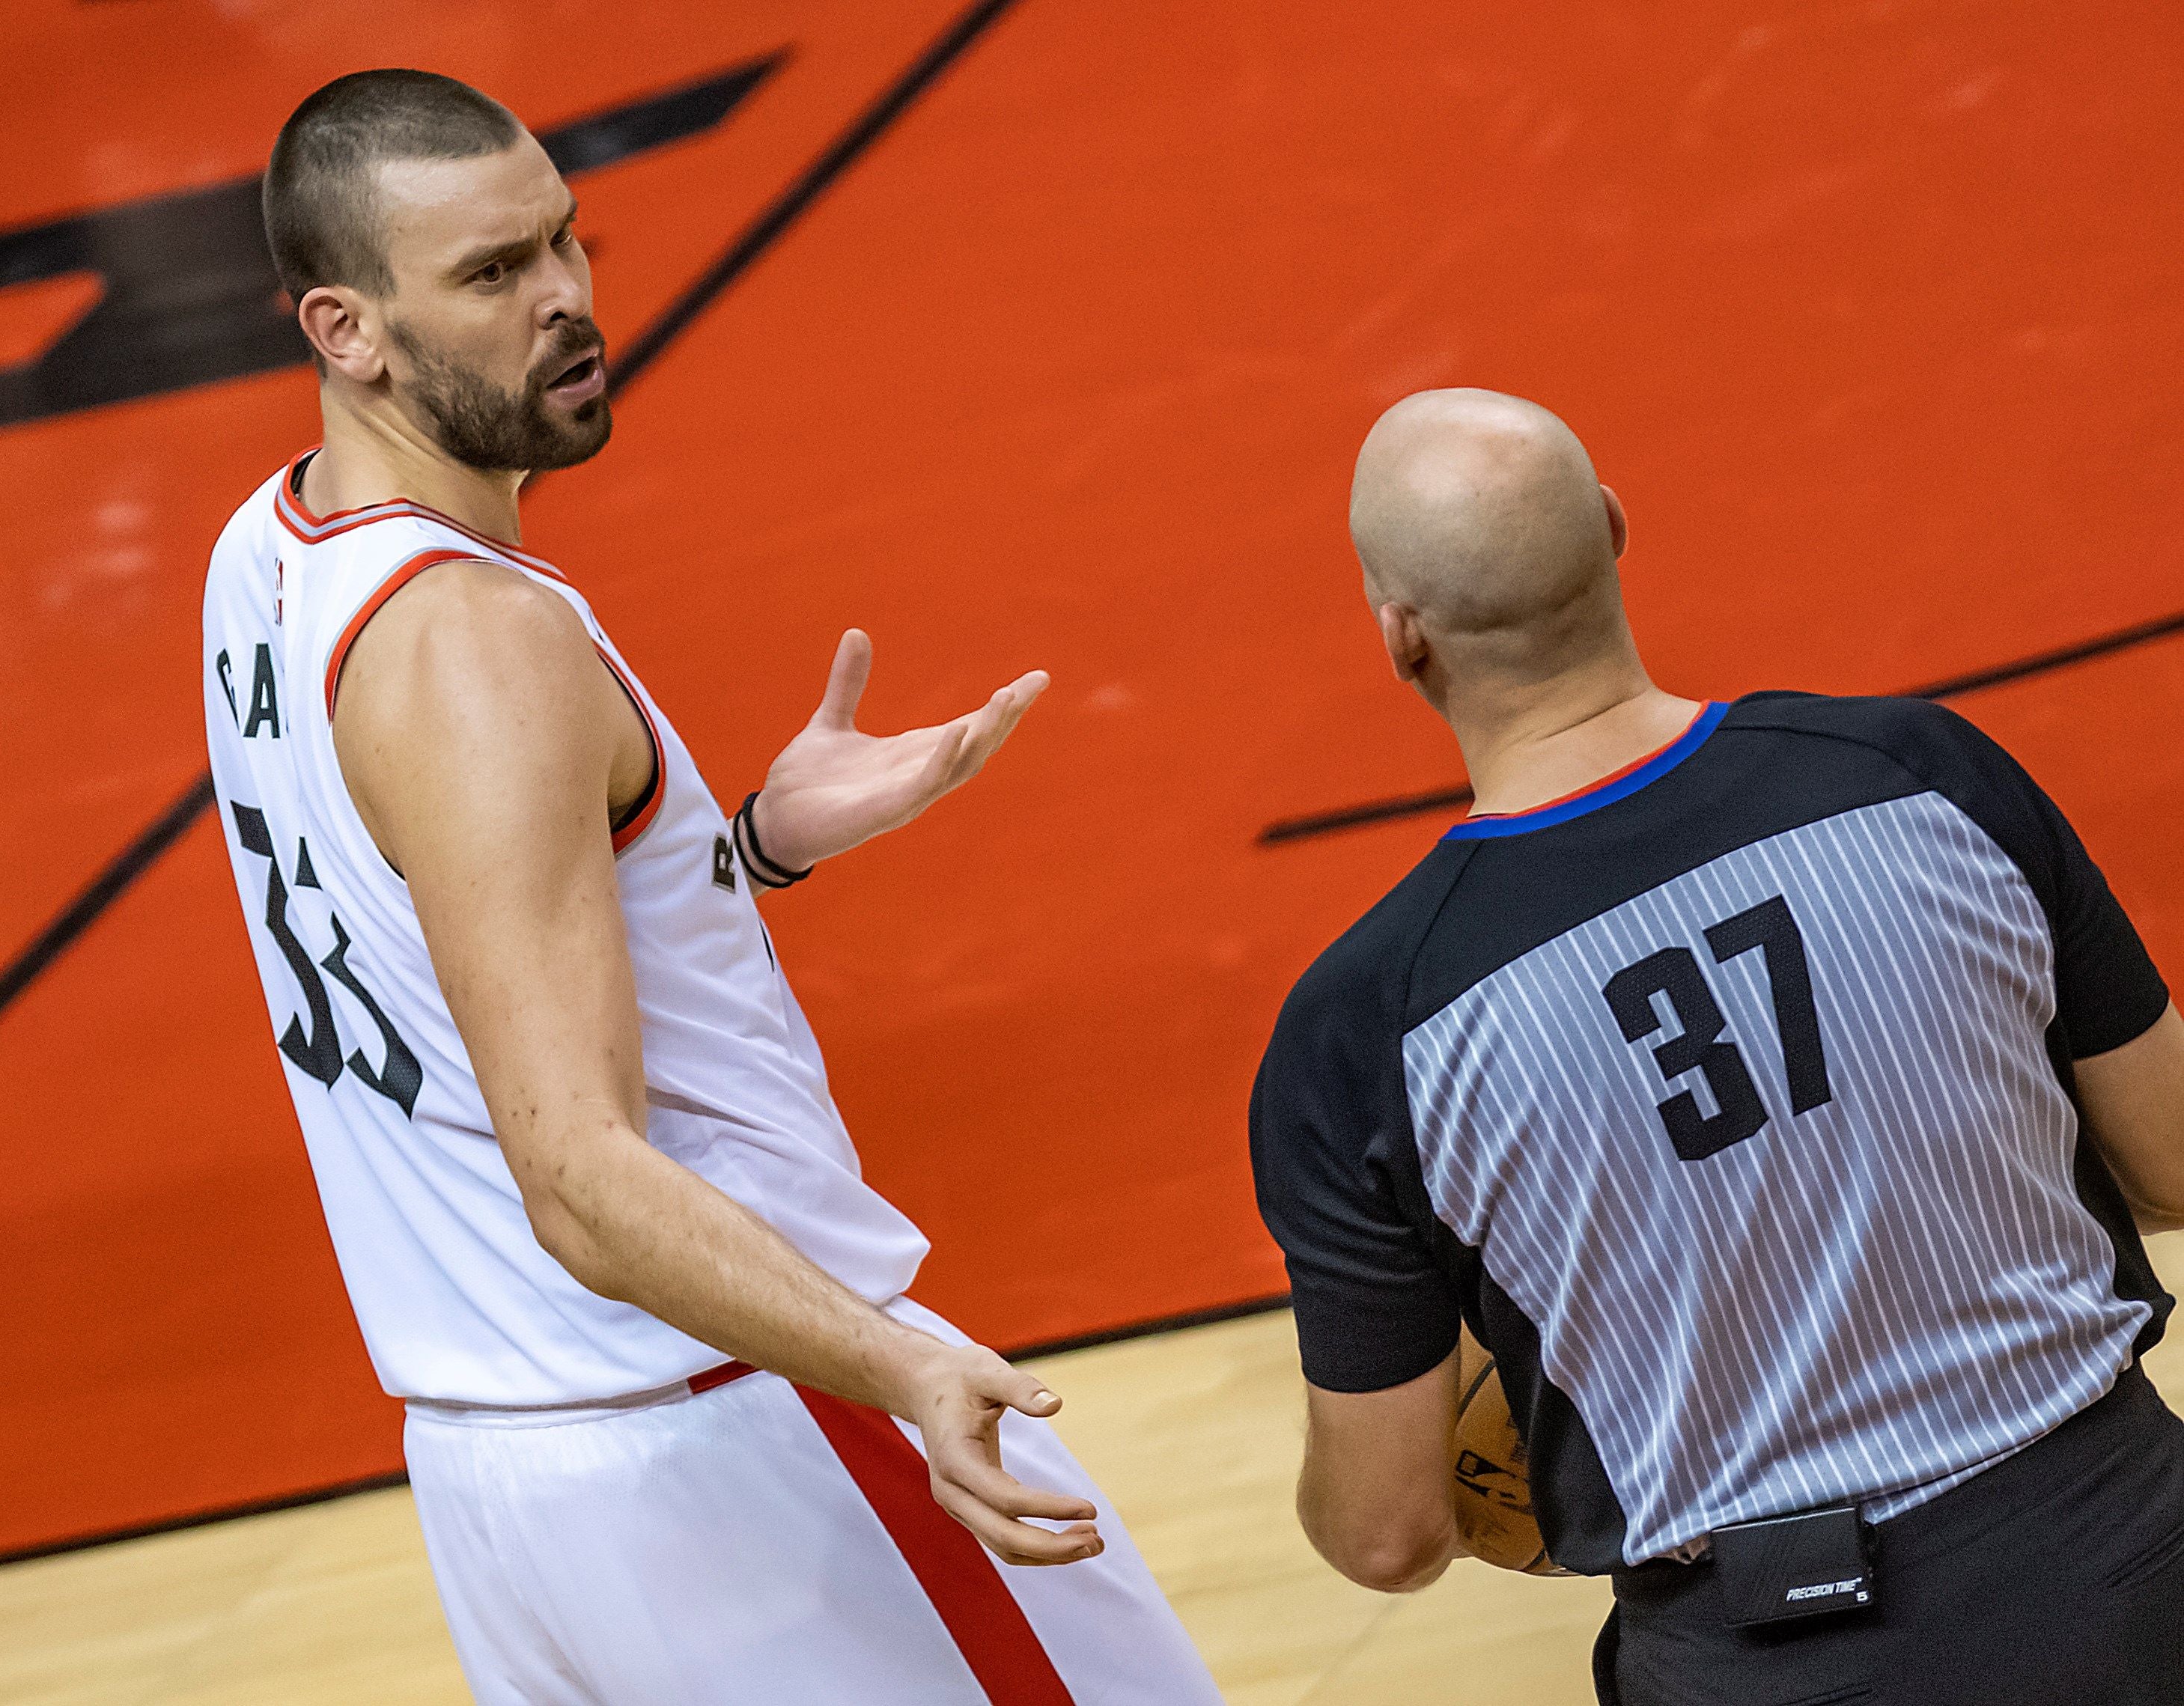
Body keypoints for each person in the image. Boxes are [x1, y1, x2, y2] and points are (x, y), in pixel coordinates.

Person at [201, 68, 1220, 1706]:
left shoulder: (264, 554)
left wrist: (731, 850)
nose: (565, 297)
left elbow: (437, 930)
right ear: (345, 329)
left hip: (510, 1490)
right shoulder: (480, 643)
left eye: (563, 240)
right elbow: (580, 1180)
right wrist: (900, 1367)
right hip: (741, 1435)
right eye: (491, 273)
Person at [1248, 388, 2184, 1704]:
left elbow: (1384, 1536)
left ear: (1399, 636)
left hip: (1766, 1662)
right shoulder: (1923, 774)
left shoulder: (1362, 1028)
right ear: (1612, 529)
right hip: (2133, 1559)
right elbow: (2172, 1162)